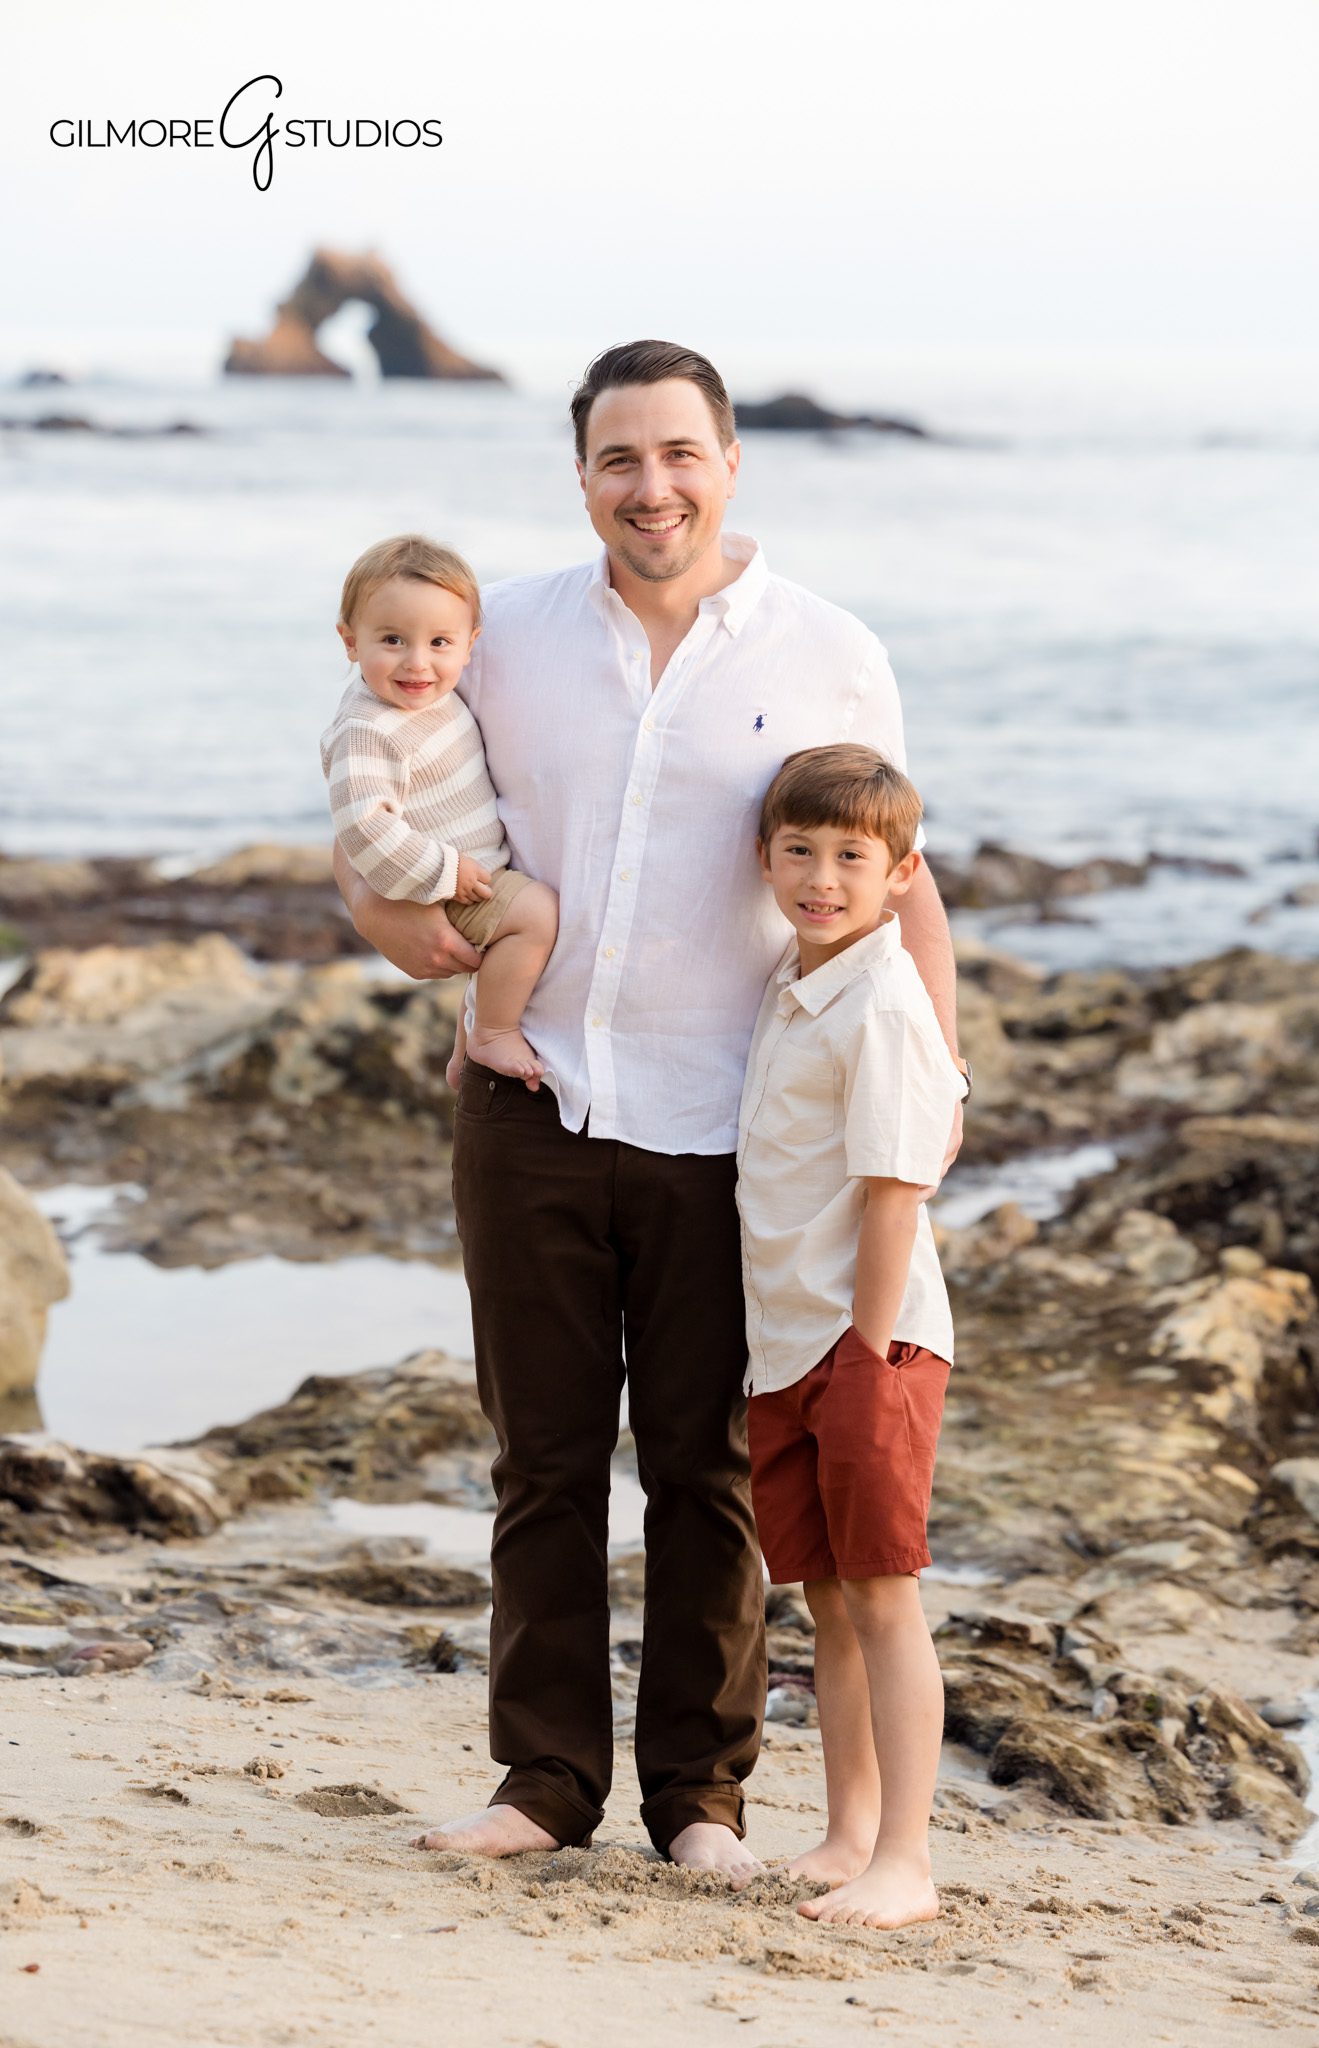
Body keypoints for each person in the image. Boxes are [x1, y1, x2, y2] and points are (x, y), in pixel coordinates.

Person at [330, 341, 968, 1881]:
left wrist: (932, 1090)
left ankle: (701, 1802)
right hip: (534, 1099)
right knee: (540, 1459)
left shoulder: (827, 648)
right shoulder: (509, 632)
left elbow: (905, 881)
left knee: (706, 1471)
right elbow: (382, 777)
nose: (651, 486)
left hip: (736, 1132)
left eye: (679, 454)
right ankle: (543, 1781)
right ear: (582, 476)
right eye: (620, 458)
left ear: (730, 462)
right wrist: (377, 915)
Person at [740, 744, 965, 1927]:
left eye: (851, 858)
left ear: (899, 873)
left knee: (883, 1597)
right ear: (765, 858)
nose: (823, 876)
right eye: (801, 851)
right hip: (786, 1341)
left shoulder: (882, 1002)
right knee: (825, 1596)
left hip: (863, 1344)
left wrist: (867, 1361)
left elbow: (893, 1191)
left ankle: (907, 1859)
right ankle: (848, 1832)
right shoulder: (792, 974)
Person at [322, 534, 557, 1086]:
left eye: (439, 643)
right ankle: (494, 1032)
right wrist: (444, 874)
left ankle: (467, 1051)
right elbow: (364, 826)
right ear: (350, 641)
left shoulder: (426, 698)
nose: (417, 663)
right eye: (393, 640)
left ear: (471, 643)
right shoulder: (368, 729)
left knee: (506, 942)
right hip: (443, 882)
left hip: (469, 869)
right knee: (535, 915)